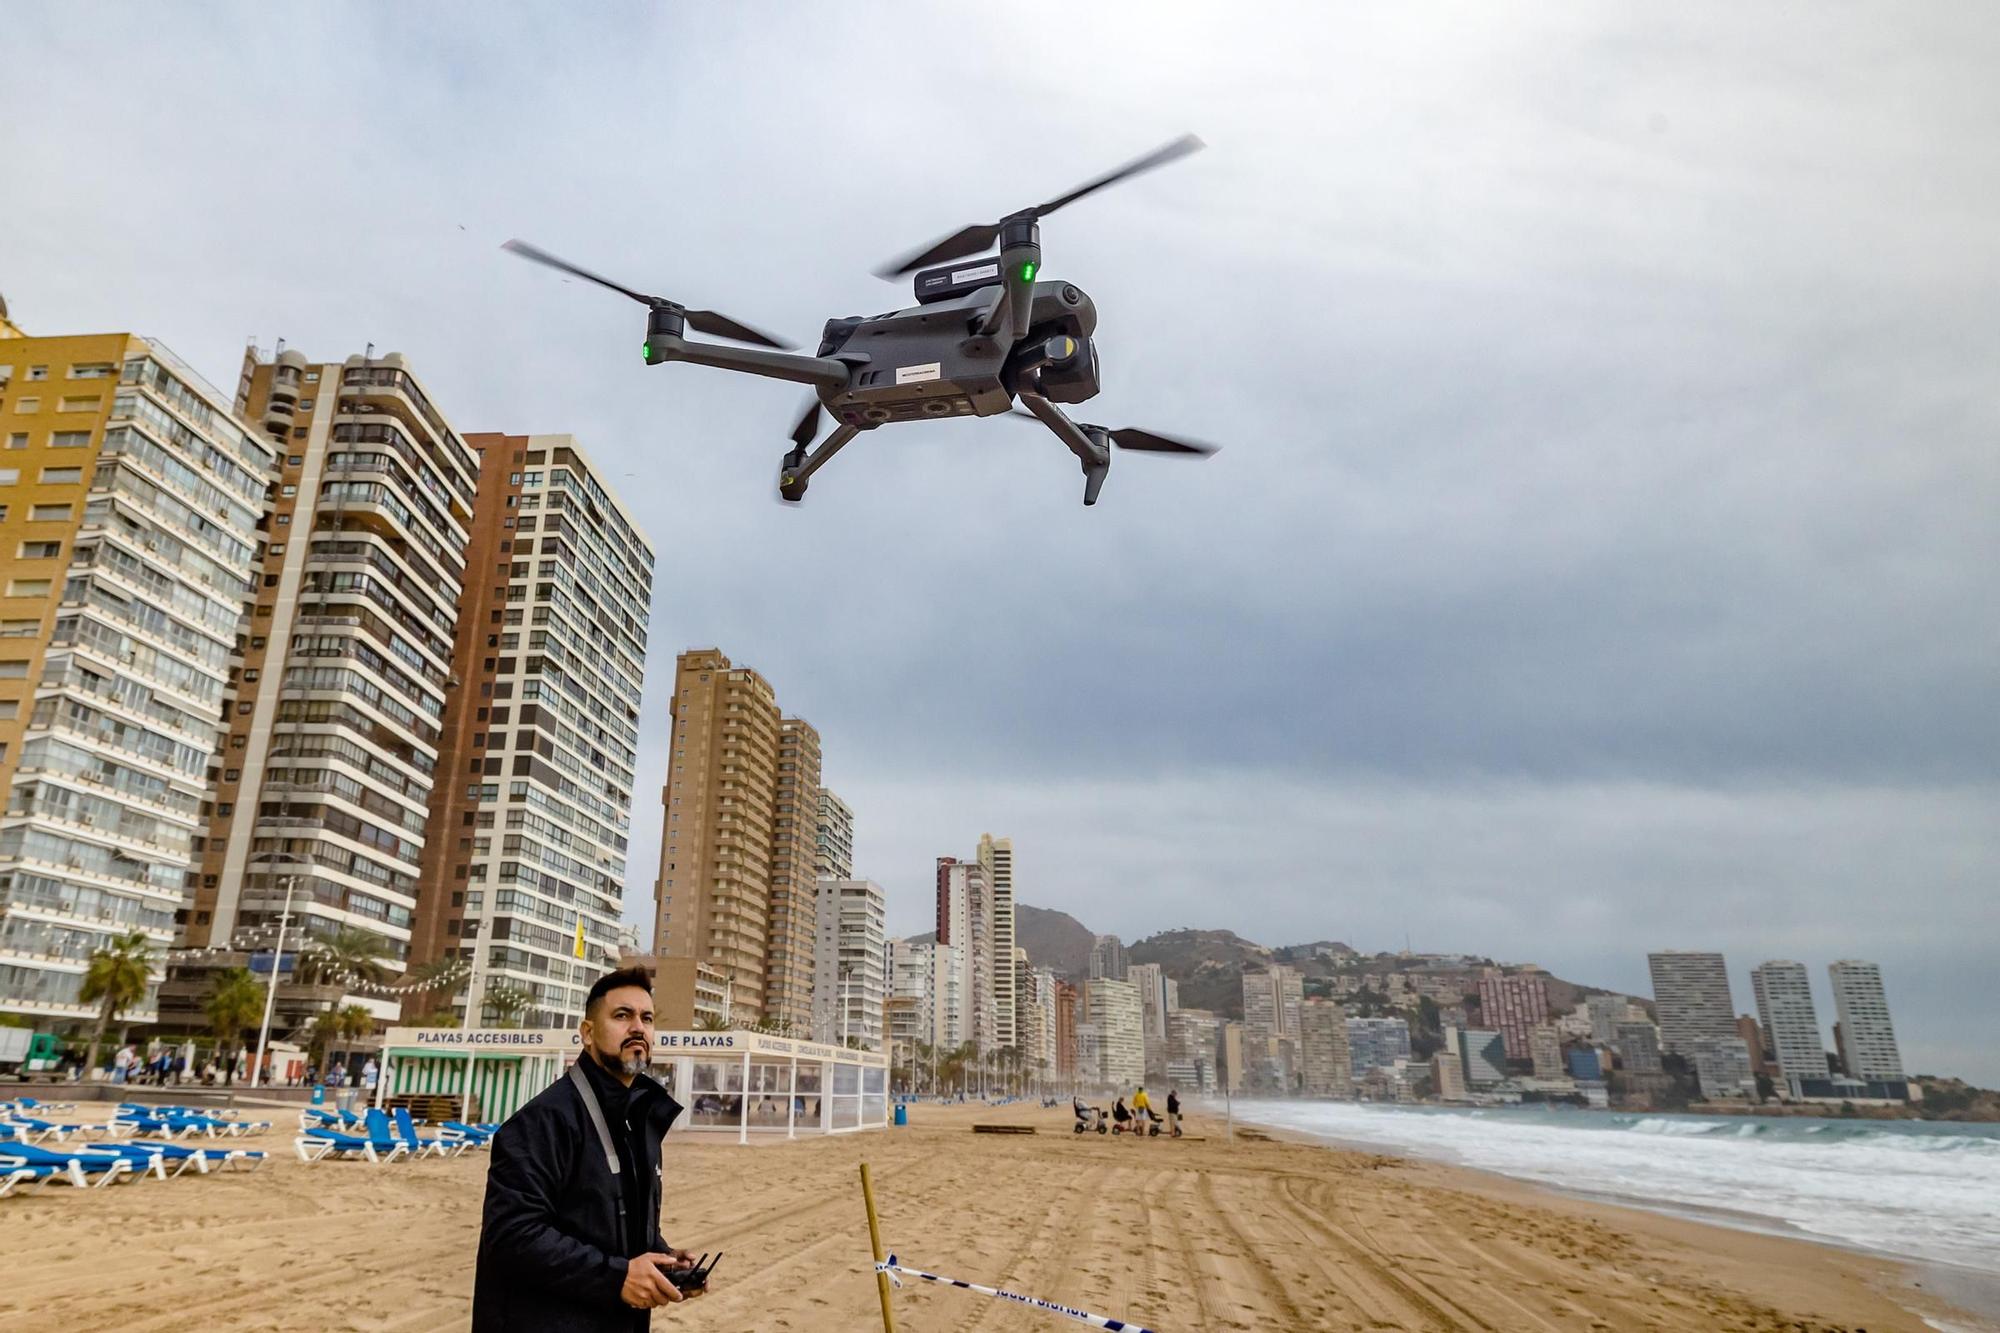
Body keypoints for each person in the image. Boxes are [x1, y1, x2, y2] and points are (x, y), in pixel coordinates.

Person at [473, 966, 695, 1332]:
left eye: (647, 1018)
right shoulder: (544, 1120)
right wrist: (616, 1277)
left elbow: (603, 1219)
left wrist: (662, 1257)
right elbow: (512, 1235)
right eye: (622, 1016)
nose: (638, 1027)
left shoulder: (638, 1120)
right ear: (588, 1033)